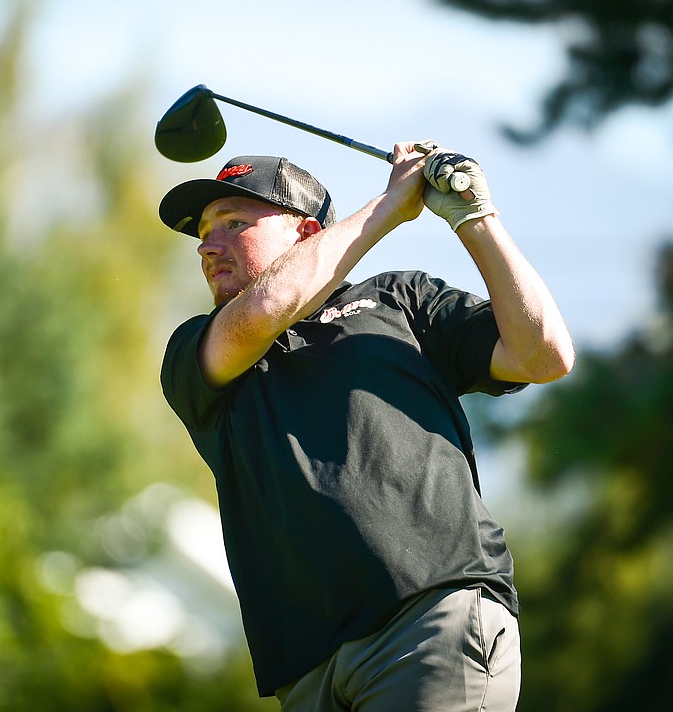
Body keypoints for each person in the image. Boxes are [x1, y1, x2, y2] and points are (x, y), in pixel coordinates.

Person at [158, 142, 575, 711]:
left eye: (234, 224)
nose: (209, 246)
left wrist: (475, 219)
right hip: (307, 674)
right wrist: (391, 204)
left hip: (429, 622)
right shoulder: (198, 351)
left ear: (307, 233)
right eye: (205, 231)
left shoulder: (399, 303)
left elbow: (544, 354)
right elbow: (266, 306)